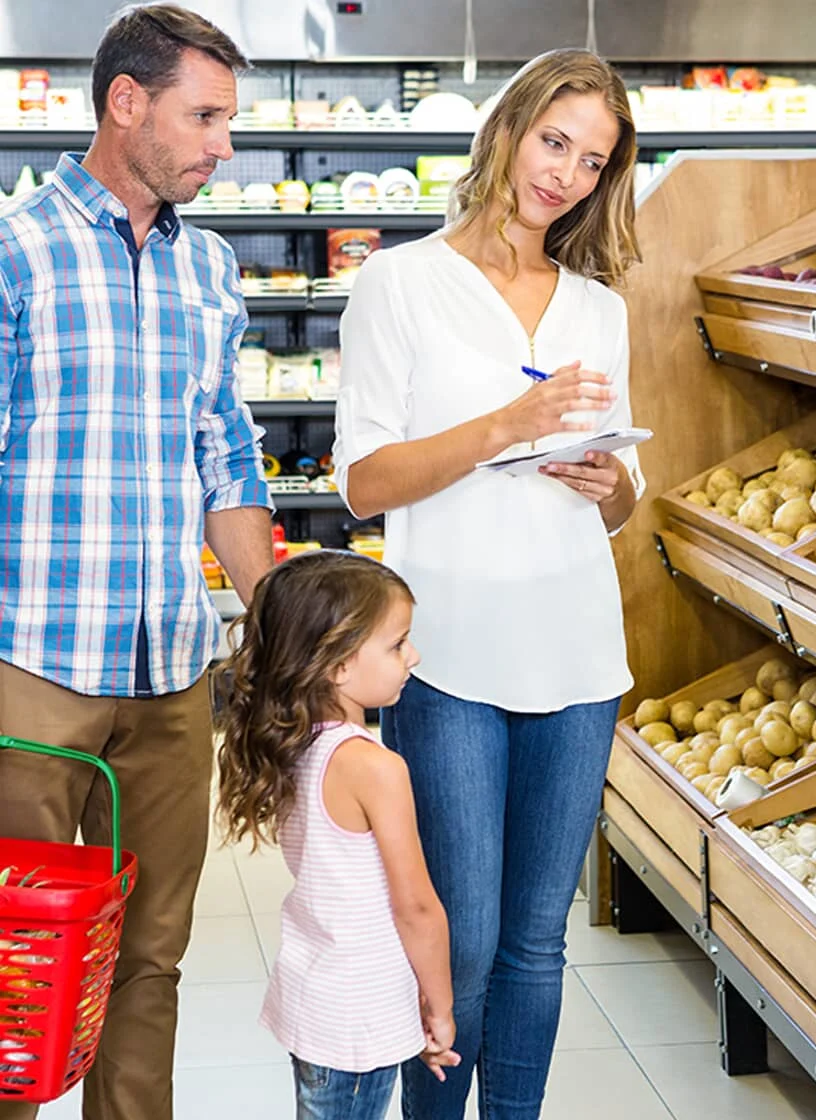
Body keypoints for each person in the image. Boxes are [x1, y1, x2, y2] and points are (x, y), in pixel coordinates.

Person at [332, 47, 642, 1119]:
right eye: (553, 141)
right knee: (458, 942)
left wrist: (609, 482)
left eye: (591, 160)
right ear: (506, 130)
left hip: (579, 654)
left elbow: (623, 497)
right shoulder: (400, 283)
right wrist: (504, 426)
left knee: (535, 945)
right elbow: (366, 482)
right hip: (450, 653)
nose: (563, 174)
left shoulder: (597, 306)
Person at [0, 6, 274, 1119]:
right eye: (204, 117)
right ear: (127, 103)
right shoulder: (16, 252)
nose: (222, 145)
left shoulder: (209, 267)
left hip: (172, 678)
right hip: (32, 667)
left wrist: (279, 618)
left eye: (228, 121)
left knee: (151, 956)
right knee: (14, 965)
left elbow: (228, 453)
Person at [215, 550, 459, 1119]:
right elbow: (417, 907)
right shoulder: (374, 767)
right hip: (359, 1015)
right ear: (338, 665)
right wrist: (441, 1002)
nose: (413, 656)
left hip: (315, 996)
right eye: (397, 644)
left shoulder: (298, 742)